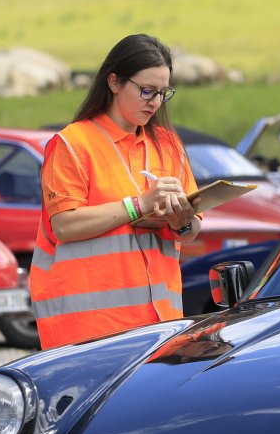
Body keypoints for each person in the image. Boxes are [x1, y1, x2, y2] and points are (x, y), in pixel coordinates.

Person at [28, 34, 201, 349]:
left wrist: (183, 222)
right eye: (147, 90)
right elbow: (64, 225)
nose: (155, 102)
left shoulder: (168, 145)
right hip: (87, 329)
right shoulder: (73, 144)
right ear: (114, 82)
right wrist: (138, 205)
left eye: (163, 93)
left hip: (160, 324)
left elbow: (191, 230)